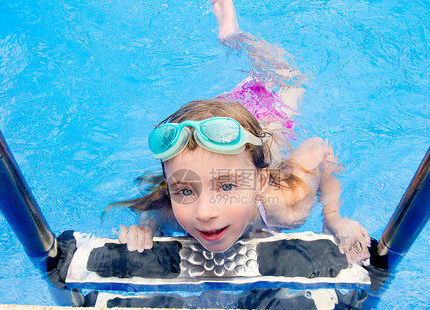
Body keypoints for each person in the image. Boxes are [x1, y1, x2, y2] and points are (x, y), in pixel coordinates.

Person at [110, 0, 370, 264]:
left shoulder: (289, 207)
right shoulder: (167, 211)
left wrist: (333, 216)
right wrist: (145, 230)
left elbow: (318, 149)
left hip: (271, 111)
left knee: (290, 78)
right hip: (229, 123)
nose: (204, 213)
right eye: (185, 191)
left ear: (261, 182)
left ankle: (234, 35)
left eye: (226, 186)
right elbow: (150, 213)